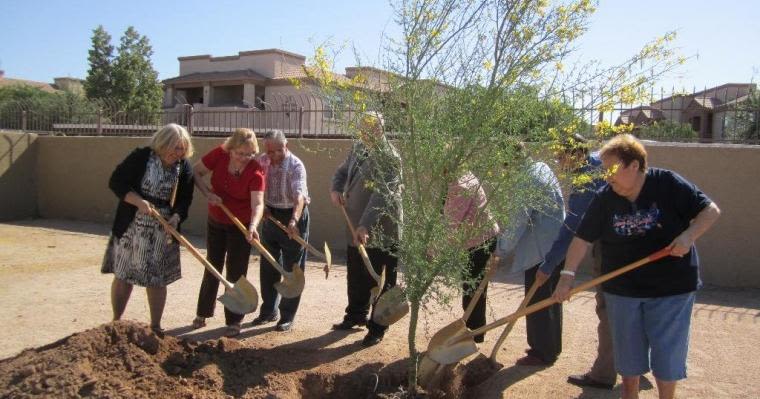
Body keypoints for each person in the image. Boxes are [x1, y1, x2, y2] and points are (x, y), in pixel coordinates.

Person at [553, 134, 720, 399]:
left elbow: (710, 210)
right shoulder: (605, 197)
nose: (607, 177)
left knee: (666, 353)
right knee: (628, 354)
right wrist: (566, 275)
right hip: (622, 289)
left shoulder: (668, 184)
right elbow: (582, 238)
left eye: (612, 170)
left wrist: (689, 236)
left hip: (671, 288)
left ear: (634, 165)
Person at [102, 123, 195, 333]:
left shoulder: (183, 166)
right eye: (174, 147)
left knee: (157, 277)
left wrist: (177, 217)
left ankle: (156, 326)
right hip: (132, 225)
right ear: (162, 143)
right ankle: (116, 321)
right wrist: (138, 202)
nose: (177, 153)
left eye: (181, 148)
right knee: (124, 273)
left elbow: (185, 199)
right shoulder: (141, 157)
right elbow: (116, 182)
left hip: (162, 230)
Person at [541, 134, 616, 389]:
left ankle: (604, 374)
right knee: (633, 305)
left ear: (575, 154)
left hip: (612, 249)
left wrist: (548, 265)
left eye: (561, 156)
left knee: (609, 309)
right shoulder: (598, 165)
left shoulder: (587, 181)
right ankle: (640, 365)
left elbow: (572, 228)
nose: (558, 162)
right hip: (626, 241)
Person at [329, 113, 402, 347]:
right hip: (354, 223)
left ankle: (378, 326)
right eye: (363, 129)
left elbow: (383, 194)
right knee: (357, 273)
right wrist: (336, 188)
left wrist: (365, 224)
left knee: (381, 279)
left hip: (382, 230)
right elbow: (342, 172)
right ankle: (356, 315)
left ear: (381, 130)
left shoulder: (390, 157)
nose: (366, 134)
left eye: (371, 129)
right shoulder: (359, 147)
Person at [496, 144, 566, 367]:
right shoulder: (541, 167)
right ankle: (551, 347)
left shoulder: (526, 181)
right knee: (551, 298)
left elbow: (518, 221)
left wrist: (500, 250)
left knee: (537, 301)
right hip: (557, 245)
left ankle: (541, 352)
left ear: (511, 162)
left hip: (540, 250)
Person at [191, 128, 265, 337]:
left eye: (249, 154)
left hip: (240, 224)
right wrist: (207, 193)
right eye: (239, 153)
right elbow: (195, 172)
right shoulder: (219, 155)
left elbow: (258, 203)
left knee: (236, 272)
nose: (243, 158)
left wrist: (252, 225)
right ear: (231, 149)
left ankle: (234, 320)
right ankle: (202, 312)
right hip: (216, 218)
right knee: (212, 266)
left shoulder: (256, 170)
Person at [249, 130, 310, 332]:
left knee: (293, 268)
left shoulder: (295, 166)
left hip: (293, 215)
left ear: (287, 146)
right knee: (269, 264)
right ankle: (268, 311)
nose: (273, 155)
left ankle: (287, 316)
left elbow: (299, 197)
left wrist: (294, 220)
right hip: (271, 215)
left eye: (278, 150)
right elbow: (256, 186)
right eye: (270, 150)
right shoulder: (262, 161)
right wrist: (262, 206)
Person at [443, 171, 500, 343]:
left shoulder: (459, 185)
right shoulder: (466, 175)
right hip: (484, 237)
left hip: (478, 241)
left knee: (472, 287)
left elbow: (453, 221)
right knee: (475, 287)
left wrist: (437, 249)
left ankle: (473, 332)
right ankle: (475, 330)